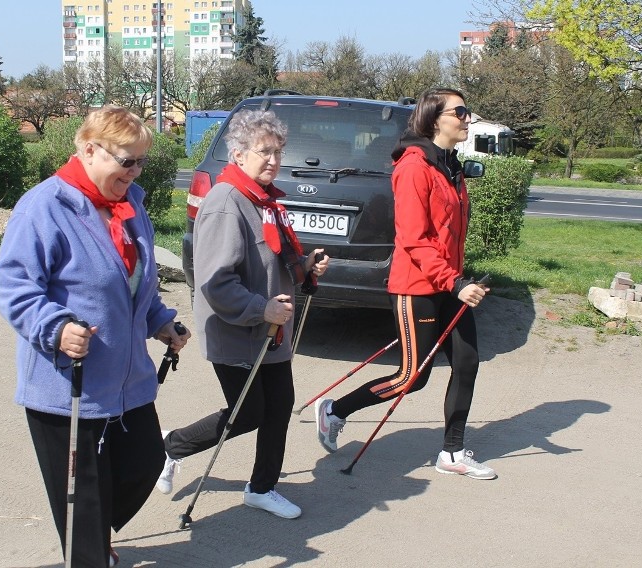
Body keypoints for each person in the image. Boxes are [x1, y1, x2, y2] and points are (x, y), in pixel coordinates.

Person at [0, 105, 191, 567]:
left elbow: (136, 282)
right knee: (82, 507)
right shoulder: (44, 206)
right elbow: (13, 285)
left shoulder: (130, 205)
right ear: (88, 149)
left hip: (128, 383)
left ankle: (95, 535)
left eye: (140, 160)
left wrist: (158, 321)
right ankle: (90, 550)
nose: (135, 170)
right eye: (127, 160)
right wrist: (55, 328)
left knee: (143, 465)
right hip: (68, 386)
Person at [314, 88, 497, 480]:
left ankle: (452, 452)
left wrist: (458, 280)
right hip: (417, 287)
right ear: (434, 119)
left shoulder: (450, 165)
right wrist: (454, 282)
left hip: (450, 284)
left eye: (467, 111)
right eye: (460, 112)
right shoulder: (414, 167)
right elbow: (414, 240)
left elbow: (449, 233)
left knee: (467, 362)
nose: (468, 118)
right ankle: (335, 411)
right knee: (412, 377)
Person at [154, 109, 329, 518]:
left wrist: (305, 266)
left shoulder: (265, 201)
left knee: (279, 406)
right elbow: (215, 282)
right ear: (238, 154)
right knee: (248, 413)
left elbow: (272, 263)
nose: (272, 160)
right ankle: (170, 446)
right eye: (263, 152)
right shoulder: (225, 202)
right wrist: (260, 307)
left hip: (270, 331)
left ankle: (262, 487)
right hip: (236, 329)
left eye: (277, 152)